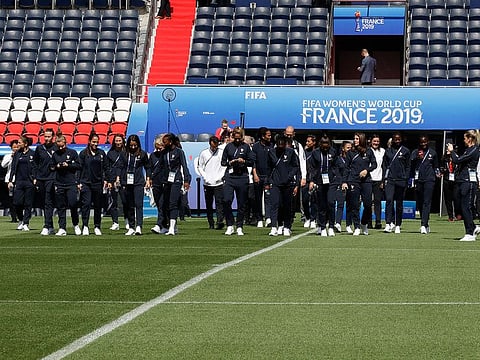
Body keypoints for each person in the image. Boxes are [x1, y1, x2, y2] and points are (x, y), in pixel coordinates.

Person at [447, 130, 480, 241]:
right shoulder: (468, 150)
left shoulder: (474, 150)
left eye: (465, 138)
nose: (464, 140)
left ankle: (469, 232)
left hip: (469, 181)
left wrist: (452, 152)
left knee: (467, 206)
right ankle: (473, 227)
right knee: (462, 206)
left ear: (470, 138)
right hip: (462, 180)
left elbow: (458, 160)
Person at [221, 127, 254, 236]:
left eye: (239, 139)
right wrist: (231, 162)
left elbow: (251, 161)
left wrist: (243, 161)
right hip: (230, 176)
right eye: (236, 138)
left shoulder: (246, 147)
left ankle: (239, 226)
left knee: (242, 203)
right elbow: (223, 162)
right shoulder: (228, 147)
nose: (237, 140)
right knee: (226, 200)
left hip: (242, 176)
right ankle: (230, 224)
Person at [342, 132, 377, 236]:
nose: (355, 140)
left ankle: (364, 223)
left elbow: (374, 164)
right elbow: (346, 168)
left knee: (368, 204)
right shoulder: (350, 153)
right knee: (354, 205)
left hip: (366, 181)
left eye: (357, 139)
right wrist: (344, 181)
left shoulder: (369, 151)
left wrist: (367, 170)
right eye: (354, 139)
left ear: (362, 139)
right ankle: (356, 226)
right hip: (353, 180)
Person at [267, 135, 299, 236]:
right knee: (275, 204)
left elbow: (295, 166)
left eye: (282, 145)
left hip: (288, 184)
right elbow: (268, 168)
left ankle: (287, 226)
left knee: (286, 206)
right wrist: (267, 182)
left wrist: (289, 177)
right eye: (279, 145)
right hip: (275, 183)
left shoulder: (291, 152)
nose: (280, 147)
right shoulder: (271, 152)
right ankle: (274, 227)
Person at [78, 132, 109, 236]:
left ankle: (97, 226)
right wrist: (78, 182)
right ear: (89, 141)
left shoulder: (101, 153)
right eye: (93, 142)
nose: (95, 144)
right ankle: (85, 226)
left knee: (97, 206)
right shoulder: (83, 153)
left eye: (97, 142)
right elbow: (79, 169)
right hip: (86, 183)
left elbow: (106, 167)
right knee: (86, 204)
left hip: (98, 183)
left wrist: (106, 180)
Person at [160, 133, 191, 235]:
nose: (163, 144)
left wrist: (187, 180)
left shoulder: (179, 152)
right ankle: (172, 225)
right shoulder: (164, 153)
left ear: (170, 142)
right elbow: (159, 167)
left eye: (165, 142)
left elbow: (184, 166)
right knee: (165, 204)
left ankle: (172, 228)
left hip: (176, 180)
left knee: (173, 203)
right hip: (167, 181)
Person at [50, 133, 81, 236]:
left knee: (73, 204)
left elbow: (78, 165)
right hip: (59, 183)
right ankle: (62, 227)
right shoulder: (55, 154)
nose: (60, 146)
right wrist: (57, 166)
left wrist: (68, 165)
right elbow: (51, 167)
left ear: (65, 142)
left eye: (61, 143)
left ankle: (75, 225)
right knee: (60, 206)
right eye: (58, 144)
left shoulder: (72, 152)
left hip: (71, 182)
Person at [410, 135, 440, 234]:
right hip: (419, 180)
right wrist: (417, 158)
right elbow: (411, 165)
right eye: (422, 142)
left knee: (427, 202)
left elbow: (436, 166)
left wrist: (438, 174)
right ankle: (426, 223)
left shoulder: (432, 153)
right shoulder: (415, 152)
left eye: (425, 142)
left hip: (429, 180)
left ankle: (423, 224)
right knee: (420, 202)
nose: (423, 144)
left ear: (428, 142)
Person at [122, 134, 150, 236]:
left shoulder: (142, 154)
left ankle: (139, 226)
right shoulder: (124, 154)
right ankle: (131, 227)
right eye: (131, 145)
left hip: (138, 182)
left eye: (135, 145)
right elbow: (121, 167)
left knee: (139, 205)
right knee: (129, 205)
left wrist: (147, 179)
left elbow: (148, 167)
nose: (133, 147)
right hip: (127, 182)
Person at [383, 132, 411, 234]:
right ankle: (388, 223)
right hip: (390, 179)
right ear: (393, 140)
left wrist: (406, 178)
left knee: (399, 203)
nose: (397, 141)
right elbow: (384, 166)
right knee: (389, 200)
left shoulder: (405, 151)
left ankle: (398, 224)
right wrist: (384, 179)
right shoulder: (388, 151)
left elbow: (408, 166)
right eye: (395, 139)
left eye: (399, 139)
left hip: (401, 180)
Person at [309, 135, 337, 236]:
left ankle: (331, 226)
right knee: (321, 205)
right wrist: (312, 180)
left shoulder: (333, 152)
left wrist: (335, 176)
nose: (325, 148)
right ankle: (322, 226)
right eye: (323, 146)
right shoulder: (315, 153)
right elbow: (312, 167)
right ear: (320, 145)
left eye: (327, 146)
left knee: (331, 203)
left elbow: (336, 165)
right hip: (320, 181)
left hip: (331, 181)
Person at [8, 136, 37, 232]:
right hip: (19, 182)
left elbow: (36, 167)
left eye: (20, 142)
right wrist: (10, 180)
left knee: (28, 203)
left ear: (25, 144)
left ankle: (25, 222)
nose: (18, 144)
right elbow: (13, 167)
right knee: (17, 202)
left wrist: (35, 178)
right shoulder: (17, 154)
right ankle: (20, 219)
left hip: (29, 181)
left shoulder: (33, 153)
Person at [197, 135, 226, 230]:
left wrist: (220, 176)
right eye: (213, 146)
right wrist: (205, 177)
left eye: (216, 146)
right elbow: (200, 167)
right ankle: (211, 223)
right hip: (208, 183)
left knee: (219, 202)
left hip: (218, 182)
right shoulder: (204, 153)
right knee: (209, 204)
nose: (214, 148)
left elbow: (224, 166)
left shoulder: (221, 153)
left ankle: (219, 221)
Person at [34, 128, 57, 235]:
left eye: (49, 136)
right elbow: (35, 163)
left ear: (53, 137)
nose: (47, 138)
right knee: (44, 202)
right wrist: (35, 177)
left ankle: (46, 226)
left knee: (48, 201)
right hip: (41, 178)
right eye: (45, 136)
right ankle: (50, 225)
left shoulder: (56, 148)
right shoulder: (39, 148)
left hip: (51, 178)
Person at [251, 127, 273, 228]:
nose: (270, 137)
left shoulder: (271, 146)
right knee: (258, 198)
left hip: (268, 176)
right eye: (268, 135)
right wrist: (255, 174)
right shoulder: (255, 147)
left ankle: (268, 218)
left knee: (268, 197)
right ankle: (259, 218)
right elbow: (253, 162)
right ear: (263, 136)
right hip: (258, 176)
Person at [106, 134, 128, 231]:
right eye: (116, 141)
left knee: (125, 201)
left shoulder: (127, 152)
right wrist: (110, 180)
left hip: (124, 180)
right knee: (113, 202)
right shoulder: (110, 153)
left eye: (120, 140)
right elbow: (107, 168)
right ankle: (115, 222)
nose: (118, 143)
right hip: (113, 180)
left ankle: (128, 221)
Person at [149, 134, 168, 234]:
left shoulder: (166, 155)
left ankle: (159, 224)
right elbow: (150, 168)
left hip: (164, 182)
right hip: (156, 183)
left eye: (160, 148)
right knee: (159, 204)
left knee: (162, 204)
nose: (159, 150)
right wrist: (149, 179)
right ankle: (165, 225)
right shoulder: (152, 156)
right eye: (157, 148)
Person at [333, 140, 352, 233]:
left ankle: (348, 225)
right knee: (340, 204)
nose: (350, 149)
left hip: (351, 184)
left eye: (351, 148)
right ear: (343, 149)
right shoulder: (338, 159)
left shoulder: (353, 158)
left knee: (350, 205)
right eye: (348, 148)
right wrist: (341, 183)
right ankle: (338, 223)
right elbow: (337, 172)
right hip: (341, 184)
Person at [441, 149, 462, 222]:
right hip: (447, 180)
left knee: (456, 197)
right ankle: (450, 216)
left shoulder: (456, 158)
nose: (447, 151)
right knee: (448, 199)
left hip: (456, 180)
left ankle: (458, 213)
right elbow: (441, 168)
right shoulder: (444, 160)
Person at [370, 134, 385, 229]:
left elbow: (385, 166)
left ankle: (378, 221)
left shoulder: (383, 151)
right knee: (367, 202)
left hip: (379, 179)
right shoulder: (367, 151)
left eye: (377, 141)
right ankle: (368, 222)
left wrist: (383, 180)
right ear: (370, 141)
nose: (376, 143)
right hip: (368, 179)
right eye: (374, 141)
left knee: (377, 201)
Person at [2, 139, 19, 223]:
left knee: (18, 199)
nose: (15, 149)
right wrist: (11, 158)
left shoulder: (21, 155)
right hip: (9, 180)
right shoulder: (8, 156)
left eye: (17, 147)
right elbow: (3, 165)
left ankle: (20, 215)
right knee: (11, 199)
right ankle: (13, 217)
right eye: (14, 147)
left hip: (19, 179)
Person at [303, 135, 317, 229]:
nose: (307, 143)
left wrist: (313, 180)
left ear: (313, 142)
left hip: (314, 179)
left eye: (309, 141)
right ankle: (307, 217)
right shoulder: (304, 153)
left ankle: (313, 219)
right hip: (305, 179)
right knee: (304, 200)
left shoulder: (316, 153)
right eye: (306, 141)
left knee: (314, 200)